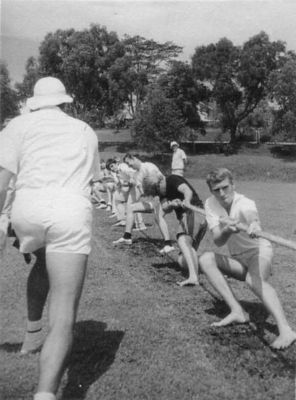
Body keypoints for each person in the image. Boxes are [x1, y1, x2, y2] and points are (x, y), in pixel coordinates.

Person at [0, 76, 100, 400]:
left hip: (27, 210)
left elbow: (3, 181)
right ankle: (45, 393)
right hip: (68, 209)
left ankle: (31, 336)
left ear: (34, 101)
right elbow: (90, 179)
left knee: (43, 261)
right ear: (64, 102)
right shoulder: (85, 130)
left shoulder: (16, 125)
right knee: (63, 313)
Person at [197, 168, 296, 349]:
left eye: (225, 187)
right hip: (238, 258)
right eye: (216, 190)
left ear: (233, 185)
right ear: (211, 191)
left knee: (253, 280)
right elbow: (218, 241)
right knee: (205, 259)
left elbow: (252, 217)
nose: (221, 193)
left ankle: (286, 330)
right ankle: (237, 311)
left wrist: (253, 224)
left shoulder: (245, 203)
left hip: (259, 252)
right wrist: (227, 229)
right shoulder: (210, 204)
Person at [116, 170, 207, 286]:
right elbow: (164, 207)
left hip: (194, 213)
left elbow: (186, 190)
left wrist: (187, 201)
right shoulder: (162, 192)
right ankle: (213, 264)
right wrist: (172, 204)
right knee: (182, 261)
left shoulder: (172, 180)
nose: (158, 194)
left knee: (182, 240)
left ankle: (194, 278)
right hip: (191, 219)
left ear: (159, 183)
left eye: (157, 191)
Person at [113, 154, 175, 254]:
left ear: (134, 159)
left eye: (129, 163)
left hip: (164, 196)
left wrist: (156, 199)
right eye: (128, 165)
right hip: (154, 199)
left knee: (158, 217)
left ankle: (168, 244)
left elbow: (158, 182)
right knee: (131, 207)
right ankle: (127, 237)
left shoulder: (148, 166)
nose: (129, 166)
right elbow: (142, 192)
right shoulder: (138, 174)